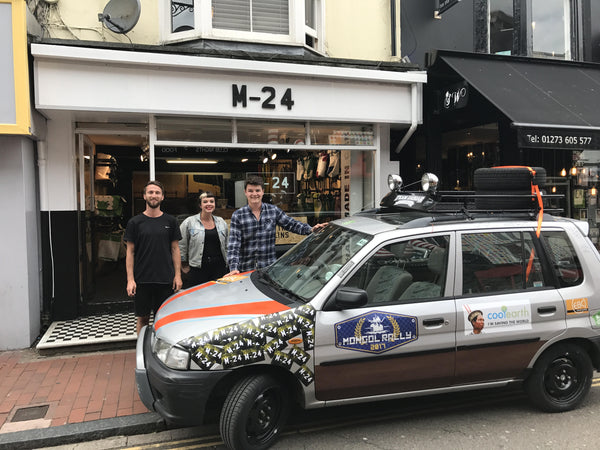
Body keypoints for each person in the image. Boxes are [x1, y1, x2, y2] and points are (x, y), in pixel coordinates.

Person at [226, 176, 327, 275]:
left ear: (263, 191)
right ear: (245, 192)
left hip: (268, 269)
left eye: (257, 190)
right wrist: (233, 268)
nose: (254, 194)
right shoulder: (238, 215)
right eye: (250, 191)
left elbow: (292, 224)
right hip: (245, 270)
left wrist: (310, 229)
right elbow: (234, 245)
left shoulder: (273, 211)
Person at [125, 180, 182, 334]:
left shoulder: (171, 221)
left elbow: (175, 249)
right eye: (150, 192)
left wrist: (177, 276)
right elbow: (130, 252)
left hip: (165, 279)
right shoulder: (134, 223)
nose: (154, 195)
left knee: (163, 318)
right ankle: (142, 351)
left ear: (162, 197)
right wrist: (130, 279)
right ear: (144, 196)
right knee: (142, 319)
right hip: (142, 279)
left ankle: (160, 351)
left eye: (157, 193)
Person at [179, 192, 229, 287]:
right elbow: (181, 245)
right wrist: (184, 265)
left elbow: (227, 245)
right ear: (200, 205)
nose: (209, 204)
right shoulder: (189, 222)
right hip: (197, 269)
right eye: (205, 202)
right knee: (198, 297)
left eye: (211, 201)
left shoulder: (221, 222)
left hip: (219, 268)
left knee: (219, 296)